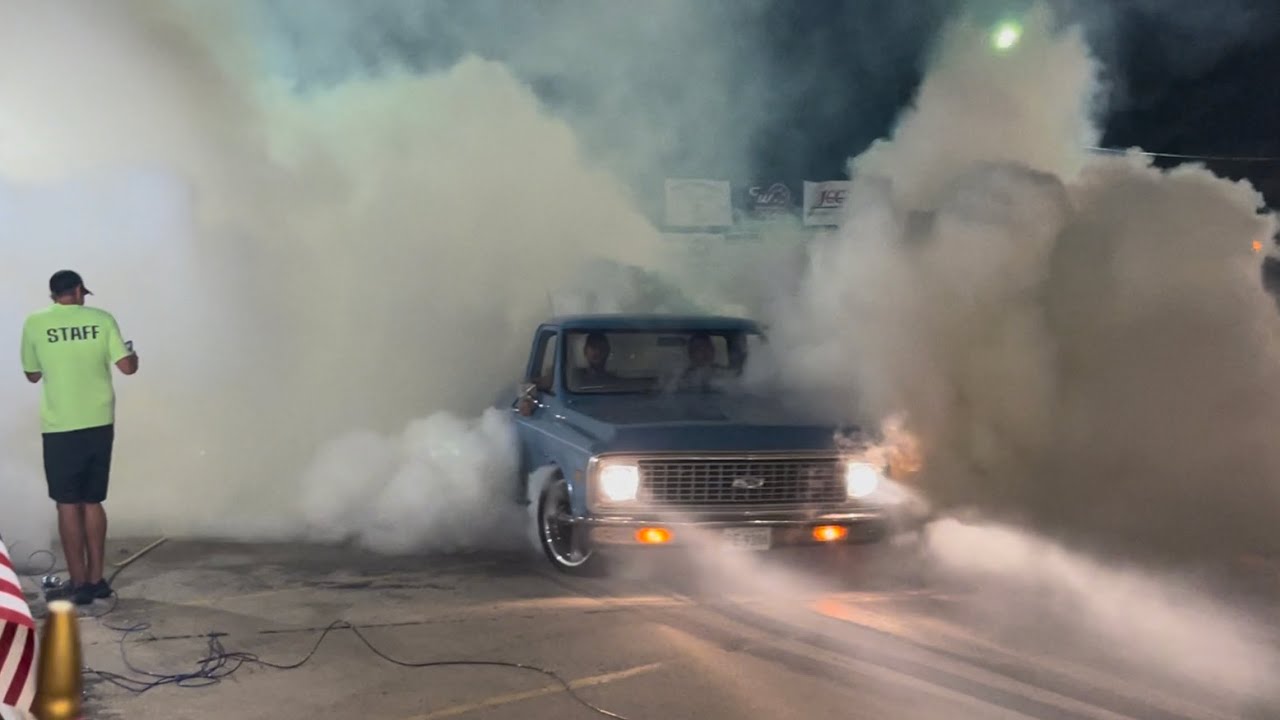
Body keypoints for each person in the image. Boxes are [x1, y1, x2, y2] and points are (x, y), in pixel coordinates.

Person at [20, 270, 138, 605]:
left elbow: (31, 374)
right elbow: (127, 367)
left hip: (59, 426)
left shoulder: (34, 322)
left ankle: (79, 583)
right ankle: (97, 580)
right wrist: (134, 355)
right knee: (93, 500)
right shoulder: (102, 319)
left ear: (53, 295)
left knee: (67, 503)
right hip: (99, 422)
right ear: (77, 290)